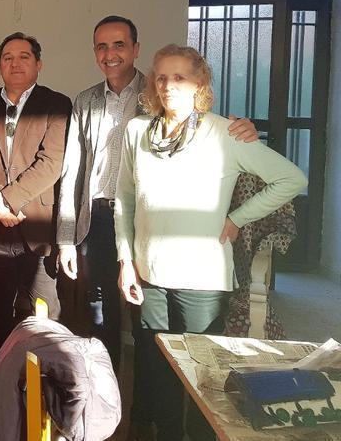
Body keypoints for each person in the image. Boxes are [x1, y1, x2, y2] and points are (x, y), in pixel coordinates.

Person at [115, 44, 307, 441]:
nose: (169, 85)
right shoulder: (138, 131)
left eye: (180, 77)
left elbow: (292, 179)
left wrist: (237, 218)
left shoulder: (225, 133)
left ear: (199, 82)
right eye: (162, 77)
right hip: (149, 272)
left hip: (202, 278)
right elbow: (125, 201)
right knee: (158, 369)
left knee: (205, 377)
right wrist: (125, 261)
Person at [55, 16, 258, 372]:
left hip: (145, 221)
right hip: (96, 218)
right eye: (101, 46)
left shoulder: (160, 92)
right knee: (99, 311)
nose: (110, 53)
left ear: (135, 49)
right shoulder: (85, 101)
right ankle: (107, 393)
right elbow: (74, 169)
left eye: (119, 44)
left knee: (147, 315)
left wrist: (243, 127)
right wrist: (65, 239)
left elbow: (201, 124)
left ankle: (151, 398)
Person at [0, 32, 70, 358]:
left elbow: (52, 161)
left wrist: (8, 200)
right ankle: (1, 381)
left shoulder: (57, 104)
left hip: (36, 222)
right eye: (7, 57)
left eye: (24, 56)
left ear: (38, 63)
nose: (15, 63)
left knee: (47, 309)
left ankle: (49, 380)